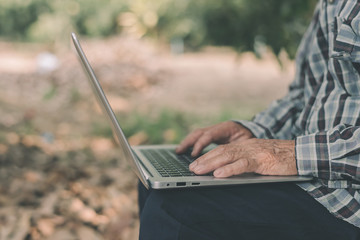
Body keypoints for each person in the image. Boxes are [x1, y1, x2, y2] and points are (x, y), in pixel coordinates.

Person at [138, 0, 360, 239]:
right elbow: (306, 94)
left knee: (176, 210)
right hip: (313, 178)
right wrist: (253, 130)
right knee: (153, 182)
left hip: (347, 201)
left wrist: (289, 154)